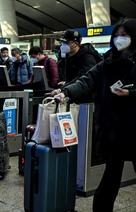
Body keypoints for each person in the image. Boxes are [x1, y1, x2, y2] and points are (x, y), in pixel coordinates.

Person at [53, 18, 136, 212]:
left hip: (134, 127)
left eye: (124, 35)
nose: (119, 39)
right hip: (114, 127)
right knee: (111, 176)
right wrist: (66, 92)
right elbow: (87, 79)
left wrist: (131, 93)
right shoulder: (108, 60)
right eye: (117, 35)